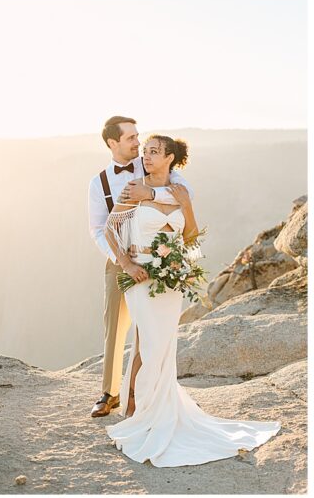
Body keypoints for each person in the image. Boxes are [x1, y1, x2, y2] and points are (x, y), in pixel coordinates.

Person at [102, 135, 280, 466]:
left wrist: (185, 268)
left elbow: (192, 238)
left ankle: (146, 409)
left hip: (170, 282)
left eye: (154, 152)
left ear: (170, 158)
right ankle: (142, 413)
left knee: (163, 346)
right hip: (140, 277)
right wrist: (127, 264)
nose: (147, 157)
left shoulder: (181, 193)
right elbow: (111, 228)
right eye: (145, 152)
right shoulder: (133, 190)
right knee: (152, 344)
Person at [86, 116, 192, 418]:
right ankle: (110, 394)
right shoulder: (99, 183)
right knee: (115, 325)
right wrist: (124, 260)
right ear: (113, 143)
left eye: (138, 137)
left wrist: (153, 194)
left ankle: (145, 397)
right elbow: (97, 229)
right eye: (131, 138)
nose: (138, 143)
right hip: (119, 258)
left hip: (159, 257)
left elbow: (186, 194)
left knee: (150, 332)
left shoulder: (151, 167)